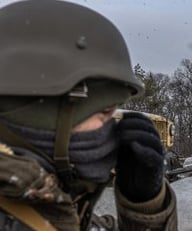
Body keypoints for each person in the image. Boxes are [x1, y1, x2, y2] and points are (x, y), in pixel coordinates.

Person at [0, 1, 176, 230]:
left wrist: (144, 205)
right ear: (39, 114)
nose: (113, 127)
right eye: (104, 112)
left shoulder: (57, 209)